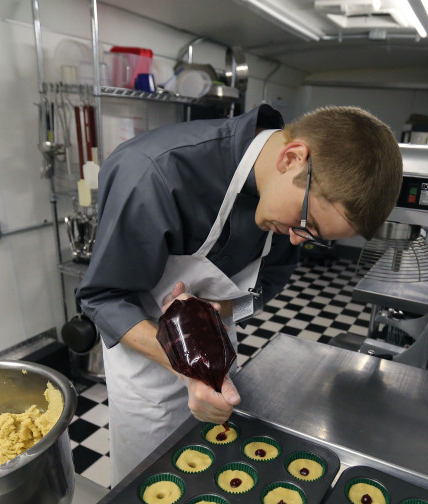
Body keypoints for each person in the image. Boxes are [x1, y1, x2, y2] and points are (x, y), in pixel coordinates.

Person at [76, 103, 402, 484]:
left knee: (211, 484)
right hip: (147, 366)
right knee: (151, 486)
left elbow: (269, 284)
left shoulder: (290, 211)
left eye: (314, 237)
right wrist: (188, 366)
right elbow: (102, 297)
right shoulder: (154, 172)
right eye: (305, 223)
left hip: (218, 354)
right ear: (292, 158)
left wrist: (225, 310)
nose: (298, 239)